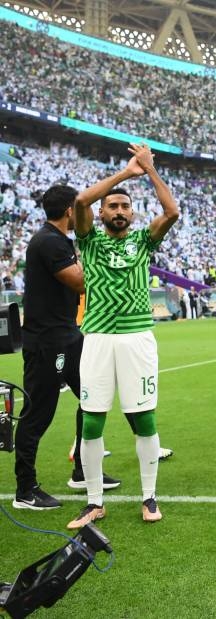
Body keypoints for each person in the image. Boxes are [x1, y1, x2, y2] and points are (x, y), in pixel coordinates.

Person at [67, 143, 180, 529]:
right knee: (92, 422)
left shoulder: (143, 241)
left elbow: (172, 212)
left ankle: (148, 497)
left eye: (124, 207)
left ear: (132, 213)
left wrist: (149, 169)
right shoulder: (89, 241)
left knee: (144, 418)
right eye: (112, 206)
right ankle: (94, 501)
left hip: (137, 340)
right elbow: (81, 199)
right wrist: (125, 174)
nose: (118, 211)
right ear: (102, 214)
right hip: (97, 338)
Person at [12, 185, 121, 511]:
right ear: (70, 210)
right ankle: (25, 490)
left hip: (68, 336)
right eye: (81, 208)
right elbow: (80, 282)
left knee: (93, 397)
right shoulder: (47, 241)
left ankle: (82, 471)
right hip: (47, 341)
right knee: (37, 415)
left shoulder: (59, 240)